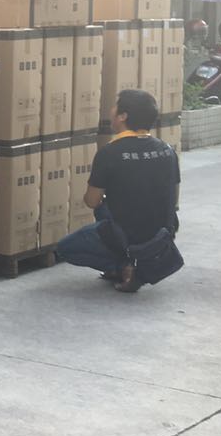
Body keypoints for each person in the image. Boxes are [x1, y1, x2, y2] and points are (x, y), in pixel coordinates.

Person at [56, 89, 180, 293]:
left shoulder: (110, 152)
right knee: (105, 210)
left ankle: (125, 267)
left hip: (130, 233)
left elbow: (91, 201)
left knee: (65, 249)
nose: (111, 110)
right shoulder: (167, 149)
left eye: (115, 106)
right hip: (162, 232)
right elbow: (173, 197)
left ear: (123, 116)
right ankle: (132, 258)